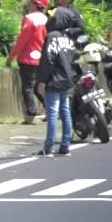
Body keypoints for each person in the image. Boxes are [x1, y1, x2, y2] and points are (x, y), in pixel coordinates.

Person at [35, 17, 76, 157]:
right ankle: (65, 145)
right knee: (65, 112)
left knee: (52, 113)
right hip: (66, 79)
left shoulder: (51, 37)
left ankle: (49, 146)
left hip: (54, 80)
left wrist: (42, 80)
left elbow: (47, 59)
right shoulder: (68, 37)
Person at [7, 0, 50, 124]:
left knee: (27, 87)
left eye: (31, 1)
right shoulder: (47, 20)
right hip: (42, 58)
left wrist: (11, 57)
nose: (29, 3)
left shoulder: (29, 19)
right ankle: (51, 108)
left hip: (28, 58)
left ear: (35, 4)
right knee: (39, 86)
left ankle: (31, 114)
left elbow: (22, 40)